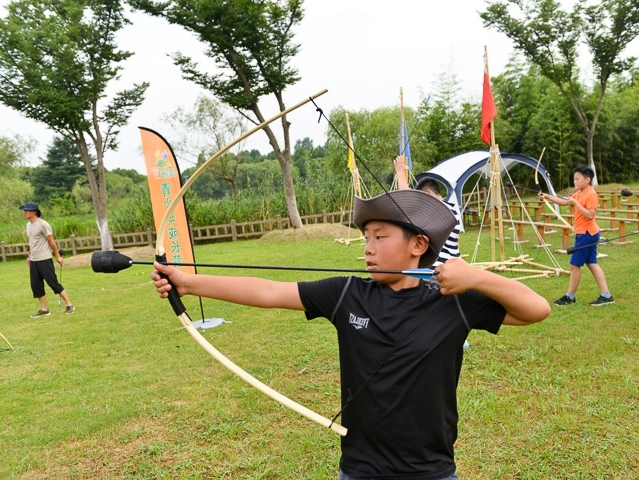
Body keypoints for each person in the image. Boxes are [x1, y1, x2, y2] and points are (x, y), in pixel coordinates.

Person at [151, 189, 551, 479]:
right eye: (365, 238)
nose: (369, 248)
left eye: (380, 236)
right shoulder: (347, 294)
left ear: (419, 244)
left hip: (430, 468)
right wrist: (188, 283)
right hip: (361, 467)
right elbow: (270, 292)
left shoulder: (454, 301)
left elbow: (537, 309)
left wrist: (477, 277)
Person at [394, 155, 470, 348]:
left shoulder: (437, 208)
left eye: (422, 198)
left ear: (428, 193)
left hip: (435, 270)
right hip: (455, 268)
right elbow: (457, 241)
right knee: (448, 305)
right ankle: (458, 337)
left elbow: (408, 202)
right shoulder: (454, 208)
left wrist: (400, 172)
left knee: (420, 302)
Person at [539, 165, 615, 306]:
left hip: (587, 234)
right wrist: (548, 197)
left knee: (574, 265)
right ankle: (606, 295)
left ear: (587, 180)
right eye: (574, 179)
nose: (575, 181)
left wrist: (575, 203)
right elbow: (563, 201)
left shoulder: (591, 194)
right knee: (592, 263)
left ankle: (570, 296)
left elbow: (590, 215)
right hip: (585, 233)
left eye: (577, 179)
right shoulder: (579, 192)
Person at [19, 202, 75, 317]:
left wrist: (58, 256)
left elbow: (51, 242)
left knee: (53, 283)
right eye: (24, 211)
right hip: (34, 260)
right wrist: (29, 256)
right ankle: (44, 309)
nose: (24, 213)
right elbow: (32, 243)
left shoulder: (43, 224)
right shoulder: (28, 225)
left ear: (34, 212)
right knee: (36, 285)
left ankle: (69, 305)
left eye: (26, 211)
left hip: (44, 259)